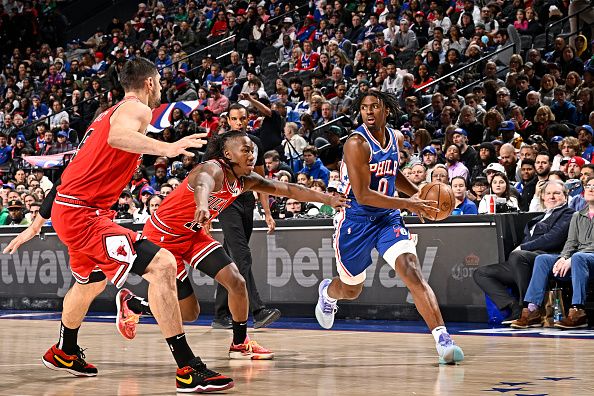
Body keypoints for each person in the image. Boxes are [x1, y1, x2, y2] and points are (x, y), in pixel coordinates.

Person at [2, 58, 233, 393]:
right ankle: (188, 368)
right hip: (85, 215)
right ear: (151, 82)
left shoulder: (102, 115)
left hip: (73, 210)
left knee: (90, 284)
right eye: (159, 83)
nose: (160, 89)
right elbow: (118, 138)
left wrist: (38, 222)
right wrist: (167, 148)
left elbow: (68, 175)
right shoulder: (136, 109)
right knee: (164, 265)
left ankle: (65, 350)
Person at [118, 131, 347, 358]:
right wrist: (202, 204)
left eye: (252, 150)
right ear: (228, 153)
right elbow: (202, 185)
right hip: (163, 238)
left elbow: (286, 188)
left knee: (237, 281)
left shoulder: (245, 180)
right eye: (245, 150)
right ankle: (134, 305)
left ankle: (239, 343)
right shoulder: (213, 169)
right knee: (189, 313)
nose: (251, 154)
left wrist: (327, 199)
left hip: (192, 236)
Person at [314, 90, 464, 365]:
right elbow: (363, 194)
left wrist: (417, 194)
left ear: (386, 110)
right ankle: (327, 292)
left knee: (413, 272)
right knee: (351, 289)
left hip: (387, 218)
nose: (369, 111)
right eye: (363, 107)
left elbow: (392, 173)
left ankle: (443, 340)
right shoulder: (356, 143)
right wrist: (410, 204)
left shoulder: (396, 138)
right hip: (356, 220)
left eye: (375, 107)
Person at [212, 103, 279, 330]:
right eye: (234, 119)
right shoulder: (219, 144)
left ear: (248, 120)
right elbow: (205, 177)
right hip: (226, 203)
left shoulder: (255, 144)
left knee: (230, 257)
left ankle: (221, 315)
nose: (239, 123)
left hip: (247, 202)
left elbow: (262, 182)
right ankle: (258, 311)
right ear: (227, 120)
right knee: (242, 255)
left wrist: (267, 212)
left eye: (242, 119)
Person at [473, 180, 574, 325]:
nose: (552, 197)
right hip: (523, 262)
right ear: (543, 197)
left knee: (518, 255)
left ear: (565, 196)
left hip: (547, 259)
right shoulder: (537, 219)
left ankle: (526, 307)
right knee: (481, 273)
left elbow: (553, 238)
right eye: (548, 193)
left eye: (557, 193)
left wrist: (523, 247)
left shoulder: (568, 214)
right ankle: (512, 305)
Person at [511, 176, 594, 329]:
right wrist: (563, 257)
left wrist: (570, 258)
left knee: (579, 257)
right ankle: (532, 310)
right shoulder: (577, 215)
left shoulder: (570, 214)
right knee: (543, 259)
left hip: (586, 258)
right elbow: (571, 243)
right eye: (588, 186)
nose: (591, 189)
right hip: (578, 258)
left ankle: (578, 311)